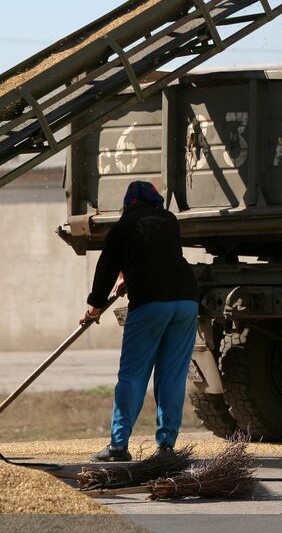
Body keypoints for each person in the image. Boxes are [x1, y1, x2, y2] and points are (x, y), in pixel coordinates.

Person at [83, 180, 200, 462]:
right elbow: (154, 254)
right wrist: (129, 278)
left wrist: (94, 306)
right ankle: (166, 448)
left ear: (128, 203)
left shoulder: (122, 226)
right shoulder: (169, 220)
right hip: (185, 301)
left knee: (133, 376)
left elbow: (107, 266)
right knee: (171, 375)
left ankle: (118, 446)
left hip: (150, 303)